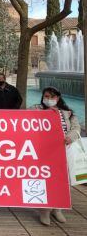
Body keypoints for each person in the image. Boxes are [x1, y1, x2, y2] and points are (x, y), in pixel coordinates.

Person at [30, 87, 81, 226]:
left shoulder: (68, 113)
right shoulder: (36, 108)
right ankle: (45, 210)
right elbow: (26, 120)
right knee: (46, 179)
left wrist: (70, 137)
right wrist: (46, 113)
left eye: (52, 97)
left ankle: (57, 208)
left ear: (58, 98)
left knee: (63, 180)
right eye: (46, 96)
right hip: (44, 151)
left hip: (65, 150)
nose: (49, 99)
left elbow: (76, 129)